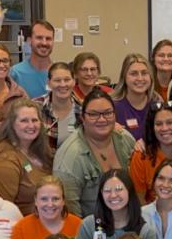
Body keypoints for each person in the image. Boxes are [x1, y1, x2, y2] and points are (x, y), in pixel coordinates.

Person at [53, 90, 137, 218]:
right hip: (91, 227)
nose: (102, 119)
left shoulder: (125, 139)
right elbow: (70, 216)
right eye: (93, 114)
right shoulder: (70, 158)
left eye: (107, 113)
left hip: (130, 219)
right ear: (82, 118)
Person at [0, 98, 54, 216]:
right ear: (12, 124)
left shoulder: (40, 149)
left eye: (34, 120)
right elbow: (2, 209)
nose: (31, 125)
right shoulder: (6, 159)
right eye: (24, 121)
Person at [112, 53, 155, 140]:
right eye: (134, 74)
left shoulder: (157, 105)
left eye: (144, 73)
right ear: (124, 77)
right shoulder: (113, 107)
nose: (140, 78)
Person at [37, 62, 81, 148]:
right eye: (57, 80)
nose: (63, 84)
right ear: (49, 83)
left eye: (67, 80)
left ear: (74, 81)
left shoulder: (83, 109)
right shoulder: (36, 107)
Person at [10, 20, 55, 98]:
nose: (44, 43)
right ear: (29, 40)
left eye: (48, 39)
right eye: (39, 38)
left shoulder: (60, 74)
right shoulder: (15, 73)